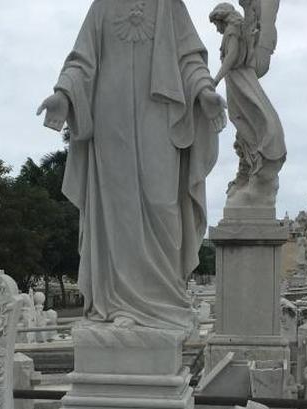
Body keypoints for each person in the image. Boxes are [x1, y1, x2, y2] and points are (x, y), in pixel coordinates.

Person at [37, 0, 226, 331]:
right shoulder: (102, 7)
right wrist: (63, 94)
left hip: (162, 115)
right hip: (111, 117)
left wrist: (204, 91)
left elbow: (190, 59)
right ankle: (119, 305)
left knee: (162, 202)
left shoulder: (170, 6)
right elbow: (81, 62)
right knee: (118, 210)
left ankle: (163, 302)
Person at [209, 2, 286, 207]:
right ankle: (251, 170)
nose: (217, 30)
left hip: (241, 81)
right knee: (244, 124)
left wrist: (215, 80)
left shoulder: (233, 31)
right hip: (237, 82)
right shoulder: (238, 28)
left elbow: (232, 57)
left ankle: (259, 173)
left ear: (222, 19)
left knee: (251, 122)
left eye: (217, 25)